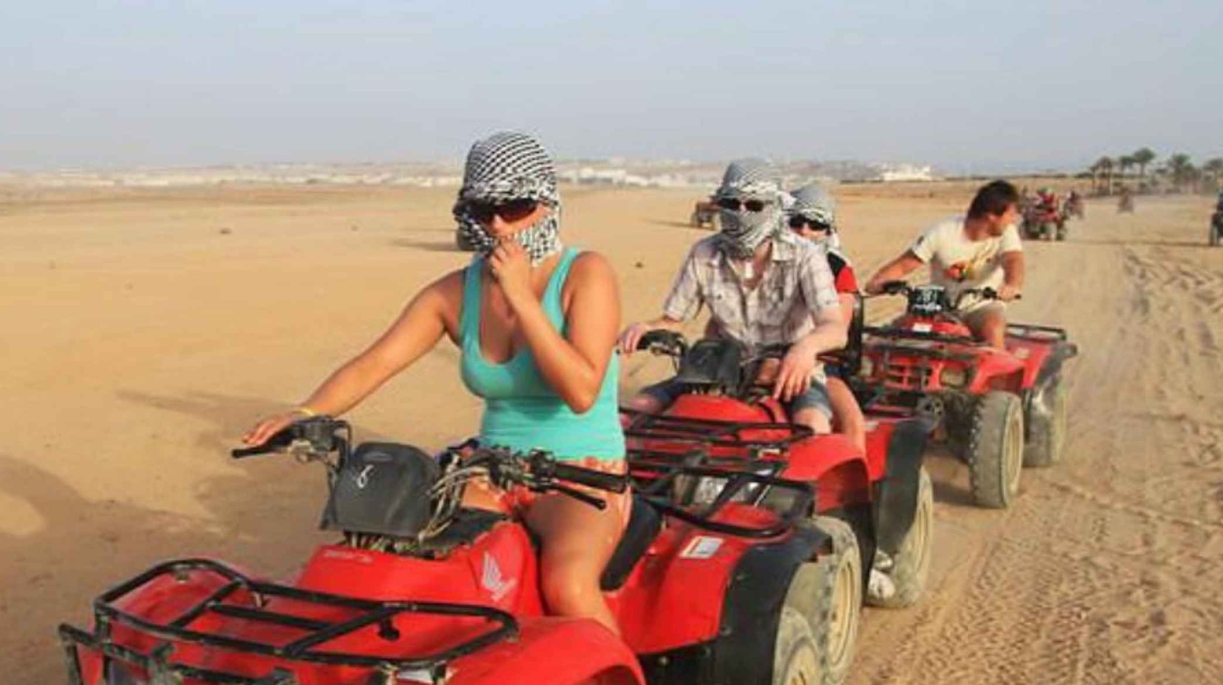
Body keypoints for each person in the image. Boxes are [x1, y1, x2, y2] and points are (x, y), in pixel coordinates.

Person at [242, 132, 630, 634]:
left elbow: (580, 391)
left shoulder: (586, 273)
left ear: (547, 204)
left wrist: (522, 299)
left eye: (515, 207)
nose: (498, 224)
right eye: (484, 209)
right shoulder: (455, 292)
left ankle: (622, 680)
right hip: (490, 470)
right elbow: (376, 362)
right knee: (399, 557)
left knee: (569, 586)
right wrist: (307, 412)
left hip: (582, 474)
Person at [620, 160, 847, 433]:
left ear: (774, 207)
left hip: (788, 372)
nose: (741, 213)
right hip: (718, 369)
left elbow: (834, 326)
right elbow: (674, 320)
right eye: (731, 204)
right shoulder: (703, 253)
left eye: (754, 206)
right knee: (639, 407)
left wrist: (805, 349)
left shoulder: (805, 256)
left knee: (812, 425)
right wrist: (646, 327)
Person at [862, 179, 1026, 347]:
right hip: (938, 307)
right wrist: (879, 280)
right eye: (1010, 214)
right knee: (887, 338)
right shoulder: (942, 232)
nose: (1013, 220)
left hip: (982, 306)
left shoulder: (1007, 233)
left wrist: (1012, 285)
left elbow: (1013, 260)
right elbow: (905, 264)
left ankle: (999, 363)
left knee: (993, 329)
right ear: (991, 215)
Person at [786, 183, 866, 450]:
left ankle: (853, 475)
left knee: (852, 423)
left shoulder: (837, 268)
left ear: (828, 229)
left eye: (815, 225)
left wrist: (804, 351)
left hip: (819, 362)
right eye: (796, 222)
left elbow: (837, 328)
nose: (804, 231)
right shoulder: (765, 257)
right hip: (760, 357)